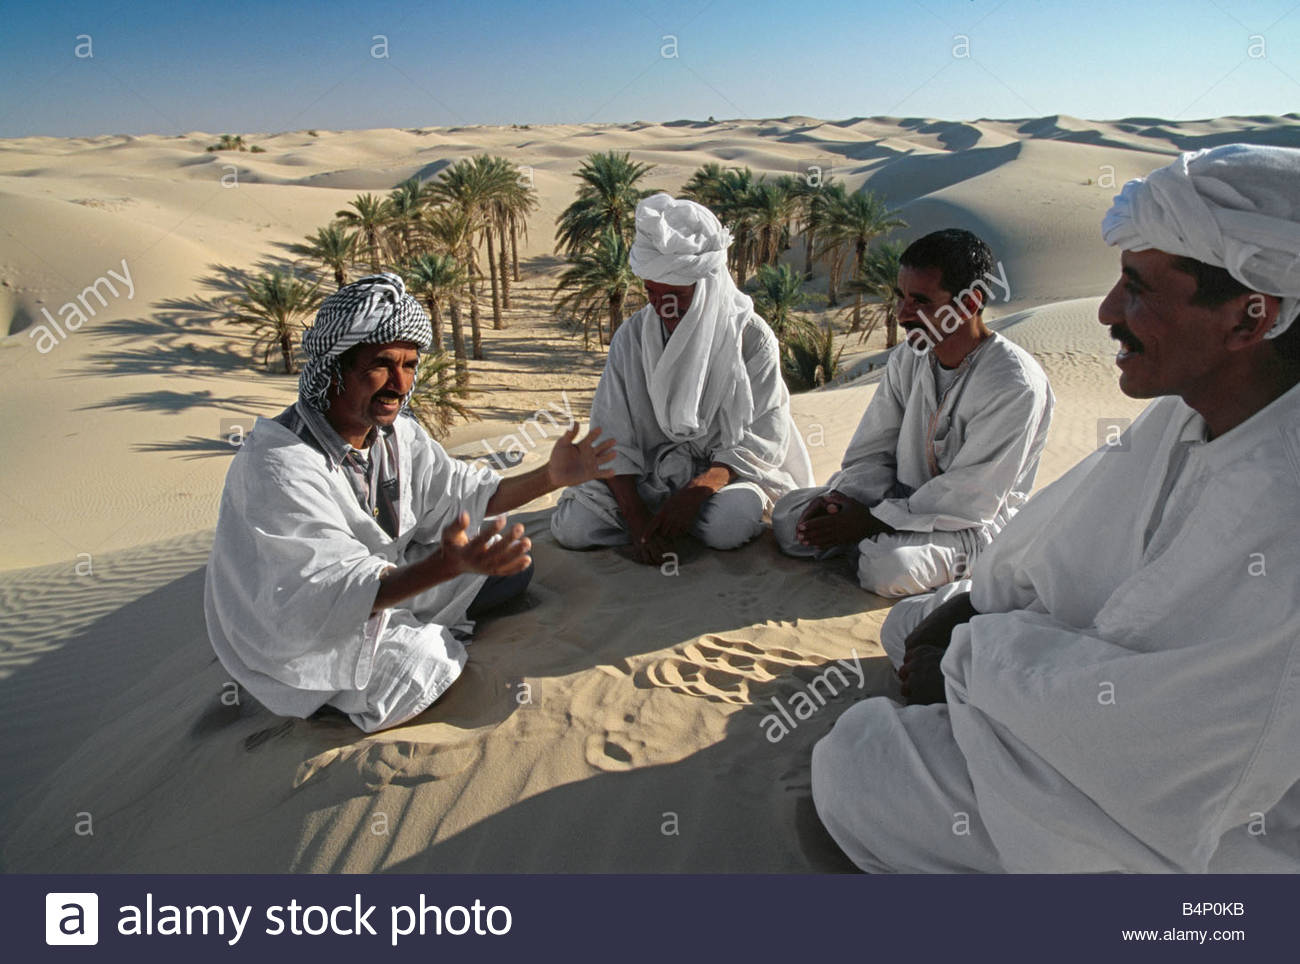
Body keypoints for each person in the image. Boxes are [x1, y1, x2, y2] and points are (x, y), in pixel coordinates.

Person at [811, 144, 1300, 872]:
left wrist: (971, 657)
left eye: (1136, 289)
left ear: (1248, 318)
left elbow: (1142, 738)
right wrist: (973, 609)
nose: (1106, 311)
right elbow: (1062, 542)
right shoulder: (1188, 411)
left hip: (1203, 834)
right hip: (1042, 674)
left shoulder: (1280, 500)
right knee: (911, 621)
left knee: (860, 759)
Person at [205, 273, 615, 732]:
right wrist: (446, 567)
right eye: (381, 364)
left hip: (383, 583)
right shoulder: (279, 464)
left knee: (514, 569)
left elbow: (466, 492)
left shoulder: (397, 434)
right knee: (417, 666)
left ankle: (412, 622)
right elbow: (327, 593)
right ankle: (321, 702)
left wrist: (551, 477)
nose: (399, 384)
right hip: (300, 629)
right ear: (335, 367)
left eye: (410, 365)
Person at [772, 229, 1054, 597]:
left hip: (966, 526)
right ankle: (867, 540)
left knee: (890, 568)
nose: (903, 314)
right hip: (894, 502)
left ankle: (949, 561)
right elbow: (873, 451)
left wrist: (870, 523)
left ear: (970, 304)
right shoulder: (910, 356)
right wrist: (843, 501)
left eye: (921, 301)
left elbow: (972, 498)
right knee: (789, 519)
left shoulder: (1013, 384)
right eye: (900, 297)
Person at [550, 193, 813, 564]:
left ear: (706, 287)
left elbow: (762, 439)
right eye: (651, 293)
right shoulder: (632, 336)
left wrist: (696, 493)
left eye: (675, 294)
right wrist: (638, 518)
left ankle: (678, 521)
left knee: (730, 525)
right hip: (648, 477)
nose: (662, 306)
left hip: (727, 477)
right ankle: (662, 524)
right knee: (574, 528)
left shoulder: (751, 337)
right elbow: (612, 437)